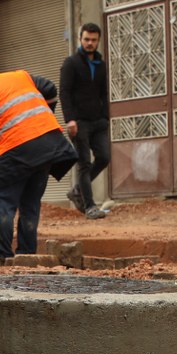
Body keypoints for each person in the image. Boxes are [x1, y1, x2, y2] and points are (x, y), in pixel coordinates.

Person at [0, 67, 76, 266]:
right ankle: (27, 255)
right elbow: (50, 88)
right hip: (48, 146)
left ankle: (3, 256)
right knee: (30, 202)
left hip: (16, 148)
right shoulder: (20, 76)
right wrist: (42, 120)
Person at [59, 23, 111, 219]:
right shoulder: (71, 63)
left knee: (104, 157)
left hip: (98, 121)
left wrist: (106, 116)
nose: (90, 43)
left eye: (94, 40)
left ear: (98, 41)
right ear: (80, 39)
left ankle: (77, 191)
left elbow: (103, 92)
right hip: (79, 122)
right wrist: (70, 120)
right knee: (84, 163)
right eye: (87, 39)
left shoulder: (101, 65)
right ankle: (90, 206)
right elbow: (64, 92)